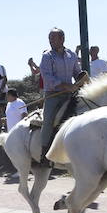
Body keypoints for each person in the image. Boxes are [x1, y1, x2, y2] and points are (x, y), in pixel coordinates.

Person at [37, 28, 83, 163]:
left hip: (70, 94)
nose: (51, 41)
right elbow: (48, 78)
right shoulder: (47, 56)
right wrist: (66, 86)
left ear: (62, 39)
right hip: (53, 94)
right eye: (50, 38)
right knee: (48, 120)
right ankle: (44, 153)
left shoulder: (72, 55)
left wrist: (82, 78)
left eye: (53, 38)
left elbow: (77, 72)